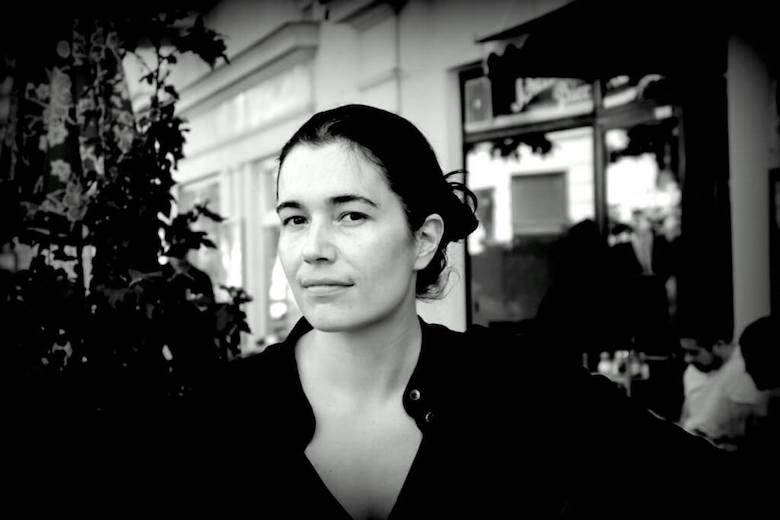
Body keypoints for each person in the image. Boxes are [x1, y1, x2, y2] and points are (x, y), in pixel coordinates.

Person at [678, 326, 768, 452]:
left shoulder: (744, 369)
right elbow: (685, 417)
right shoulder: (694, 369)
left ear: (719, 344)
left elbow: (744, 433)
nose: (687, 359)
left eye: (694, 352)